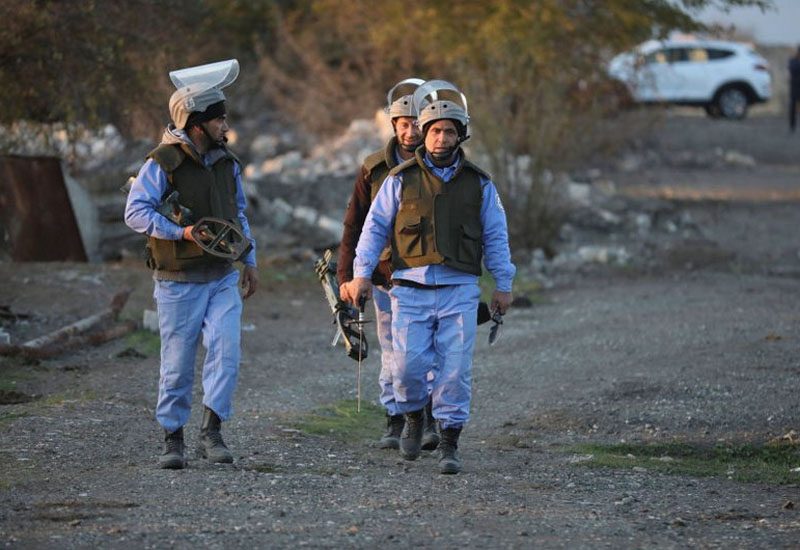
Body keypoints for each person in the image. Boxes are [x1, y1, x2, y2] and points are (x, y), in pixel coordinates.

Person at [346, 80, 515, 474]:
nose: (441, 138)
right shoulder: (399, 179)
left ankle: (449, 441)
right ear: (424, 132)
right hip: (409, 288)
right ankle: (412, 418)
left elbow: (496, 234)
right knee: (405, 366)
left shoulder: (479, 183)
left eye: (450, 131)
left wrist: (503, 284)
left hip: (459, 287)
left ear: (461, 135)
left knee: (455, 368)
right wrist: (361, 275)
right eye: (435, 130)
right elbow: (372, 230)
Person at [124, 59, 258, 469]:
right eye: (219, 120)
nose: (225, 125)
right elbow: (135, 212)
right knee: (177, 363)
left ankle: (211, 432)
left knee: (226, 352)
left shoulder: (227, 163)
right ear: (199, 123)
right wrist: (179, 232)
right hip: (177, 281)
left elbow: (239, 215)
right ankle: (173, 439)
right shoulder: (161, 163)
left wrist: (249, 260)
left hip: (221, 276)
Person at [337, 78, 442, 452]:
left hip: (428, 274)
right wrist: (347, 276)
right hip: (384, 276)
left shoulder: (439, 165)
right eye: (404, 124)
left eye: (418, 123)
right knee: (393, 349)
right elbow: (355, 224)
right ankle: (396, 417)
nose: (411, 131)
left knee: (427, 349)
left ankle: (429, 418)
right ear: (394, 125)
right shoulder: (373, 169)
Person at [789, 45, 800, 132]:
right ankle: (792, 126)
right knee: (793, 108)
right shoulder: (793, 60)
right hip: (795, 87)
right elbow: (792, 69)